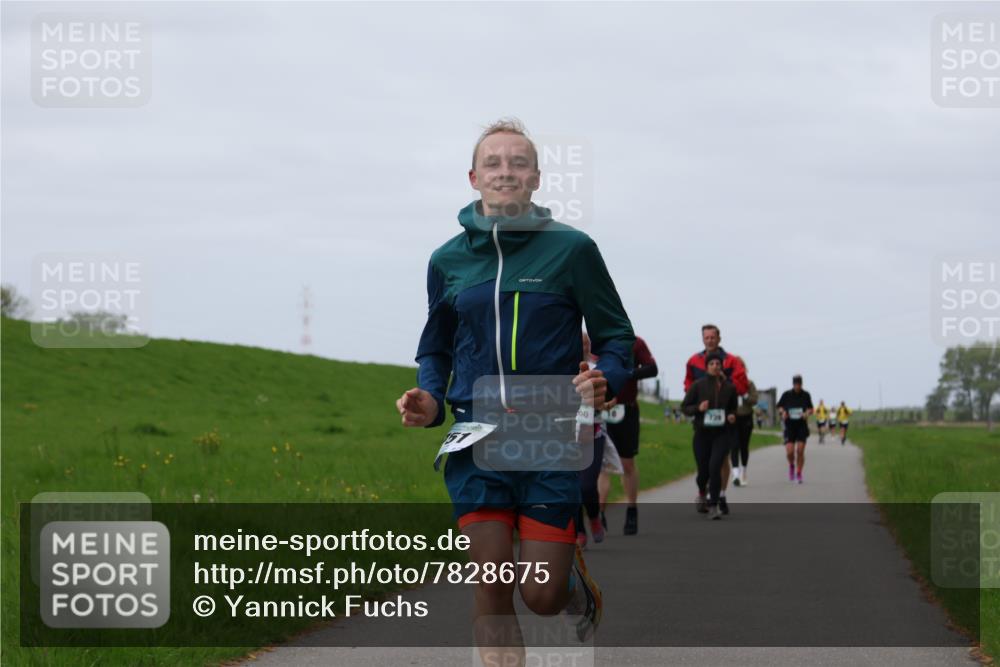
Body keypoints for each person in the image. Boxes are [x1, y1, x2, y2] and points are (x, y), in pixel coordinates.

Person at [396, 119, 635, 654]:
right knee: (492, 585)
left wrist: (607, 379)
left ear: (536, 179)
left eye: (518, 163)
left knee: (543, 596)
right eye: (494, 163)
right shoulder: (447, 261)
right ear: (474, 177)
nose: (506, 171)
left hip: (550, 438)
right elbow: (436, 346)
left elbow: (616, 335)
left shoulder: (572, 250)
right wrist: (430, 399)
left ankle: (569, 583)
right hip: (477, 438)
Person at [684, 324, 748, 515]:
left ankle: (720, 495)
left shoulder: (731, 361)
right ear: (702, 339)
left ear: (719, 338)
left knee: (721, 461)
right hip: (703, 423)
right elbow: (688, 385)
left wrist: (723, 381)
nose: (710, 340)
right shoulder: (694, 361)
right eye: (706, 337)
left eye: (713, 337)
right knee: (705, 466)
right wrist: (697, 400)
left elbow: (741, 386)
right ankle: (704, 492)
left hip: (723, 424)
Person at [598, 335, 658, 535]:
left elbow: (652, 369)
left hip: (626, 409)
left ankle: (632, 509)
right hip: (600, 410)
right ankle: (599, 514)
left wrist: (627, 373)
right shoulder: (598, 341)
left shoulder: (636, 343)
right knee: (602, 465)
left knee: (627, 464)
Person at [681, 350, 738, 520]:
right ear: (706, 367)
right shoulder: (698, 385)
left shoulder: (730, 388)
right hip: (702, 434)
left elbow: (733, 408)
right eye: (712, 364)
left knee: (715, 467)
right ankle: (701, 491)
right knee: (703, 471)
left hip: (721, 434)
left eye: (718, 364)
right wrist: (698, 408)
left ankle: (713, 505)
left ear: (721, 367)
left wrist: (732, 416)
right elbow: (685, 407)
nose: (715, 366)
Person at [576, 332, 607, 548]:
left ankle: (594, 517)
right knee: (571, 486)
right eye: (581, 342)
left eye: (587, 342)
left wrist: (605, 402)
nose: (585, 345)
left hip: (593, 432)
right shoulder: (558, 367)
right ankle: (578, 530)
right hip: (566, 433)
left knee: (587, 485)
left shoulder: (597, 368)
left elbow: (609, 394)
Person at [777, 375, 814, 484]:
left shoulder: (806, 395)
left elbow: (811, 409)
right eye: (795, 384)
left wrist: (807, 413)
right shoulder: (787, 395)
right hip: (789, 426)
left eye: (799, 384)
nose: (797, 386)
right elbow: (779, 406)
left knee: (800, 450)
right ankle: (792, 466)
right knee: (790, 452)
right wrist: (782, 412)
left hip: (801, 425)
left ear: (801, 384)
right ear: (793, 384)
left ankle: (799, 472)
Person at [731, 378, 758, 487]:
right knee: (734, 445)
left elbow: (754, 400)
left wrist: (745, 394)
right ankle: (735, 475)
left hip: (746, 418)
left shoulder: (749, 383)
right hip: (733, 418)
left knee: (744, 446)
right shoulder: (729, 382)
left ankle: (743, 472)